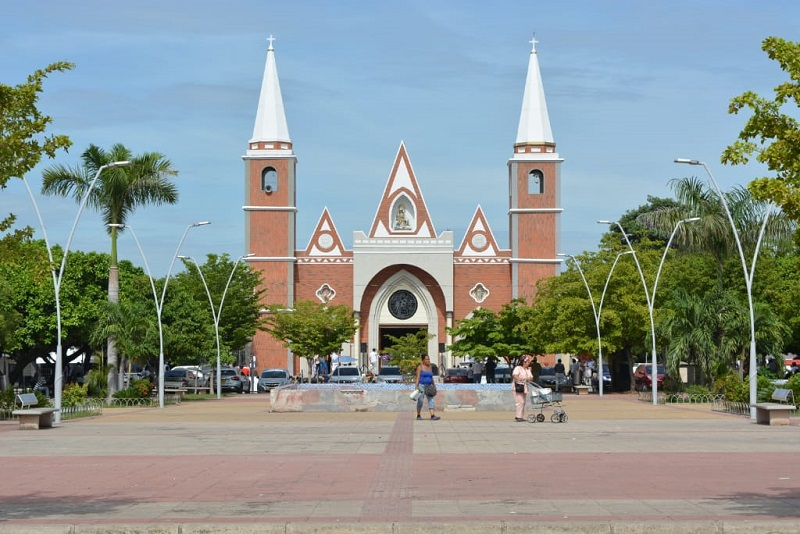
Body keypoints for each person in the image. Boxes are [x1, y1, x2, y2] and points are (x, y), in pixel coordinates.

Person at [415, 354, 440, 420]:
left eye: (428, 359)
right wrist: (416, 387)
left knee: (431, 400)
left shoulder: (430, 367)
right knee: (420, 400)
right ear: (423, 360)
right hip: (421, 385)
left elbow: (431, 377)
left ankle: (432, 415)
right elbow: (417, 377)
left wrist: (434, 385)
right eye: (426, 359)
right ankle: (418, 415)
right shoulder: (420, 367)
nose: (428, 360)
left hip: (429, 386)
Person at [511, 356, 533, 422]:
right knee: (520, 402)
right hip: (518, 386)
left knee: (523, 402)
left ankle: (521, 416)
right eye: (527, 362)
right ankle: (518, 416)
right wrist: (522, 379)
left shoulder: (527, 369)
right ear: (524, 362)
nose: (528, 363)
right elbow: (515, 375)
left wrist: (528, 377)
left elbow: (531, 378)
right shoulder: (518, 368)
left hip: (524, 387)